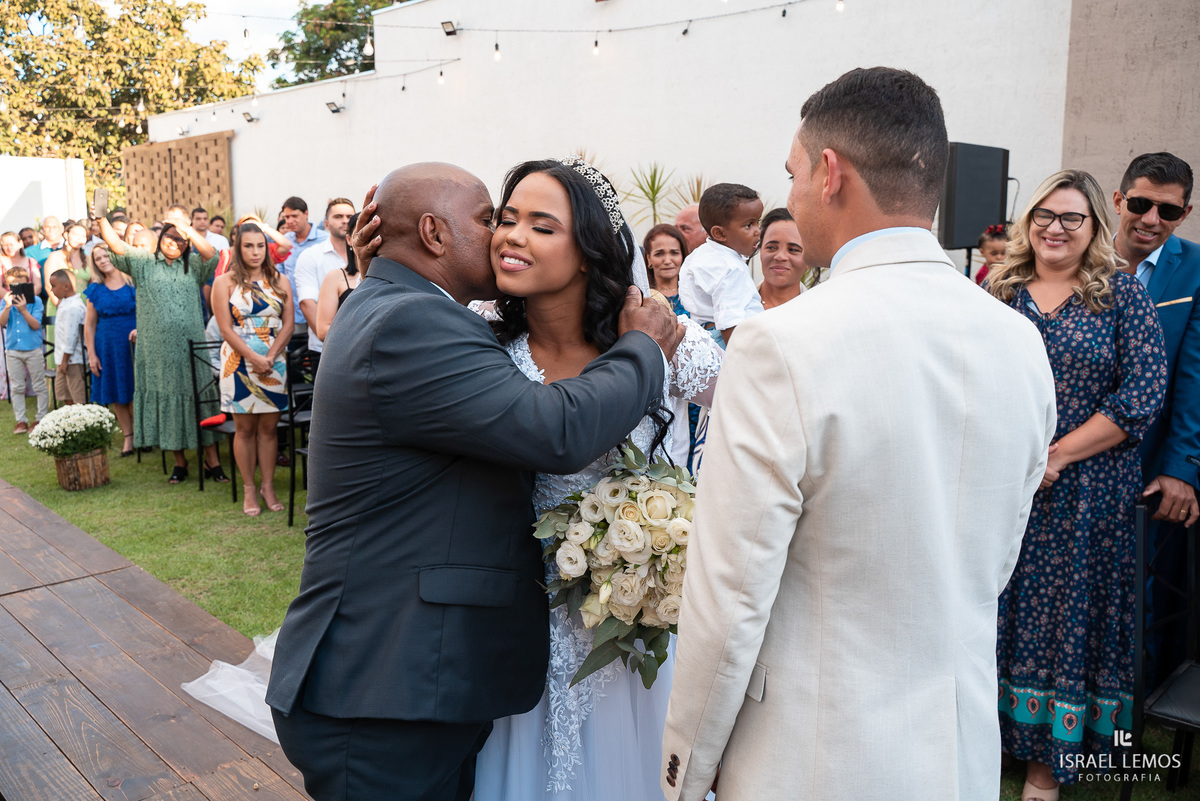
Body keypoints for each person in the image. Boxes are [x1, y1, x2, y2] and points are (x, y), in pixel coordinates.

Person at [661, 67, 1059, 801]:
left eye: (792, 172)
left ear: (830, 174)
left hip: (810, 755)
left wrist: (686, 763)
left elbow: (729, 595)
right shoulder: (1020, 342)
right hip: (959, 751)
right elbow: (994, 558)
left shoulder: (779, 343)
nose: (789, 194)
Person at [264, 162, 683, 801]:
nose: (502, 236)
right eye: (493, 218)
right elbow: (555, 431)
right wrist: (644, 350)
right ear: (433, 234)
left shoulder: (400, 306)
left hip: (436, 678)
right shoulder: (411, 321)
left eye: (532, 223)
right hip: (384, 693)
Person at [470, 158, 722, 801]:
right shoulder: (482, 341)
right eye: (506, 218)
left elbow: (760, 416)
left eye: (540, 225)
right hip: (511, 615)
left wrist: (686, 521)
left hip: (625, 616)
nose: (512, 235)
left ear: (587, 252)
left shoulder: (662, 339)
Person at [988, 169, 1167, 797]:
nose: (1054, 228)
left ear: (1093, 225)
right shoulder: (999, 290)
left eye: (1071, 218)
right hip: (1006, 487)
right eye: (1043, 214)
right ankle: (992, 745)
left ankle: (1046, 769)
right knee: (999, 610)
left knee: (1067, 619)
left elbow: (1142, 393)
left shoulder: (1119, 294)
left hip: (1089, 494)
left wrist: (1057, 455)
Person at [1111, 152, 1200, 689]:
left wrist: (1182, 467)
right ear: (1120, 200)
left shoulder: (1194, 269)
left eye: (1167, 211)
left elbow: (1194, 375)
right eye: (1141, 204)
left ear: (1184, 213)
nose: (1150, 219)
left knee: (1146, 585)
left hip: (1153, 456)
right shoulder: (1080, 257)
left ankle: (1132, 702)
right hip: (1075, 452)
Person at [97, 216, 229, 484]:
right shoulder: (145, 263)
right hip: (157, 351)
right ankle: (179, 463)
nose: (175, 242)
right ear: (160, 240)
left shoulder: (192, 265)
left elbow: (211, 253)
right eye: (170, 236)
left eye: (180, 239)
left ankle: (212, 461)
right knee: (168, 401)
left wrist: (188, 229)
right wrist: (101, 216)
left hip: (193, 349)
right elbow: (114, 244)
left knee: (201, 399)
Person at [212, 221, 294, 516]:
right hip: (238, 361)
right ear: (238, 248)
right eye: (248, 246)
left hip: (274, 361)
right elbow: (225, 328)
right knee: (244, 429)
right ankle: (249, 488)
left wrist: (270, 356)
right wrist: (253, 358)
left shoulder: (280, 281)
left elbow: (288, 325)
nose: (255, 251)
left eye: (260, 245)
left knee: (270, 429)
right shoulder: (225, 282)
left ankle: (268, 486)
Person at [642, 223, 704, 471]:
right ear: (648, 259)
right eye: (659, 253)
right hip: (656, 396)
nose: (667, 260)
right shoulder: (642, 298)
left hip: (694, 396)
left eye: (674, 252)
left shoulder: (697, 298)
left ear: (683, 256)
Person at [677, 183, 764, 346]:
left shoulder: (700, 255)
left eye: (757, 222)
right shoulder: (731, 268)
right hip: (732, 340)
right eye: (748, 225)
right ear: (720, 233)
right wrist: (741, 360)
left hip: (706, 335)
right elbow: (730, 323)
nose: (757, 231)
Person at [83, 243, 137, 456]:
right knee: (116, 391)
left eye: (106, 256)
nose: (103, 260)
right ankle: (128, 438)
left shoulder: (133, 282)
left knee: (135, 389)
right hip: (107, 345)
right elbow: (89, 325)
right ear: (94, 264)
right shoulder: (95, 290)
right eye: (98, 258)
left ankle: (143, 434)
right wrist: (91, 355)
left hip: (133, 342)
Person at [294, 198, 354, 361]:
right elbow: (307, 303)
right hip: (324, 350)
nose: (345, 221)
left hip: (360, 349)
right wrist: (331, 340)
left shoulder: (365, 257)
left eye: (349, 216)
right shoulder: (311, 256)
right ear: (326, 224)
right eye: (338, 216)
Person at [1, 266, 49, 433]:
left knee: (39, 385)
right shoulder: (5, 301)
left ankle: (41, 417)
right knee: (17, 387)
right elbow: (2, 323)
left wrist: (22, 310)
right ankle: (21, 420)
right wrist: (7, 307)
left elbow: (36, 325)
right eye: (12, 286)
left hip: (33, 349)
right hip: (13, 350)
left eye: (20, 286)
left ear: (27, 284)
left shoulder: (35, 301)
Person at [279, 196, 328, 332]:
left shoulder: (325, 240)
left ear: (306, 213)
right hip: (292, 314)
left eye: (294, 216)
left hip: (320, 311)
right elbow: (280, 273)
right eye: (287, 217)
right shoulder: (285, 242)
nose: (290, 221)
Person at [313, 214, 362, 342]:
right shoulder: (335, 278)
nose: (366, 239)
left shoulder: (390, 275)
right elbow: (323, 331)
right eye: (360, 234)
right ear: (349, 239)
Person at [756, 207, 811, 309]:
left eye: (793, 250)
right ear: (761, 251)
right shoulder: (733, 307)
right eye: (771, 247)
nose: (780, 257)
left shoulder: (818, 314)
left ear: (809, 260)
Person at [48, 269, 86, 407]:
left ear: (66, 286)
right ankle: (70, 420)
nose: (52, 290)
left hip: (72, 359)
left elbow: (71, 337)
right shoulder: (65, 303)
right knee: (63, 391)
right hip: (62, 359)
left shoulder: (74, 307)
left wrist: (65, 360)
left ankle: (82, 420)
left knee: (77, 392)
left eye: (54, 286)